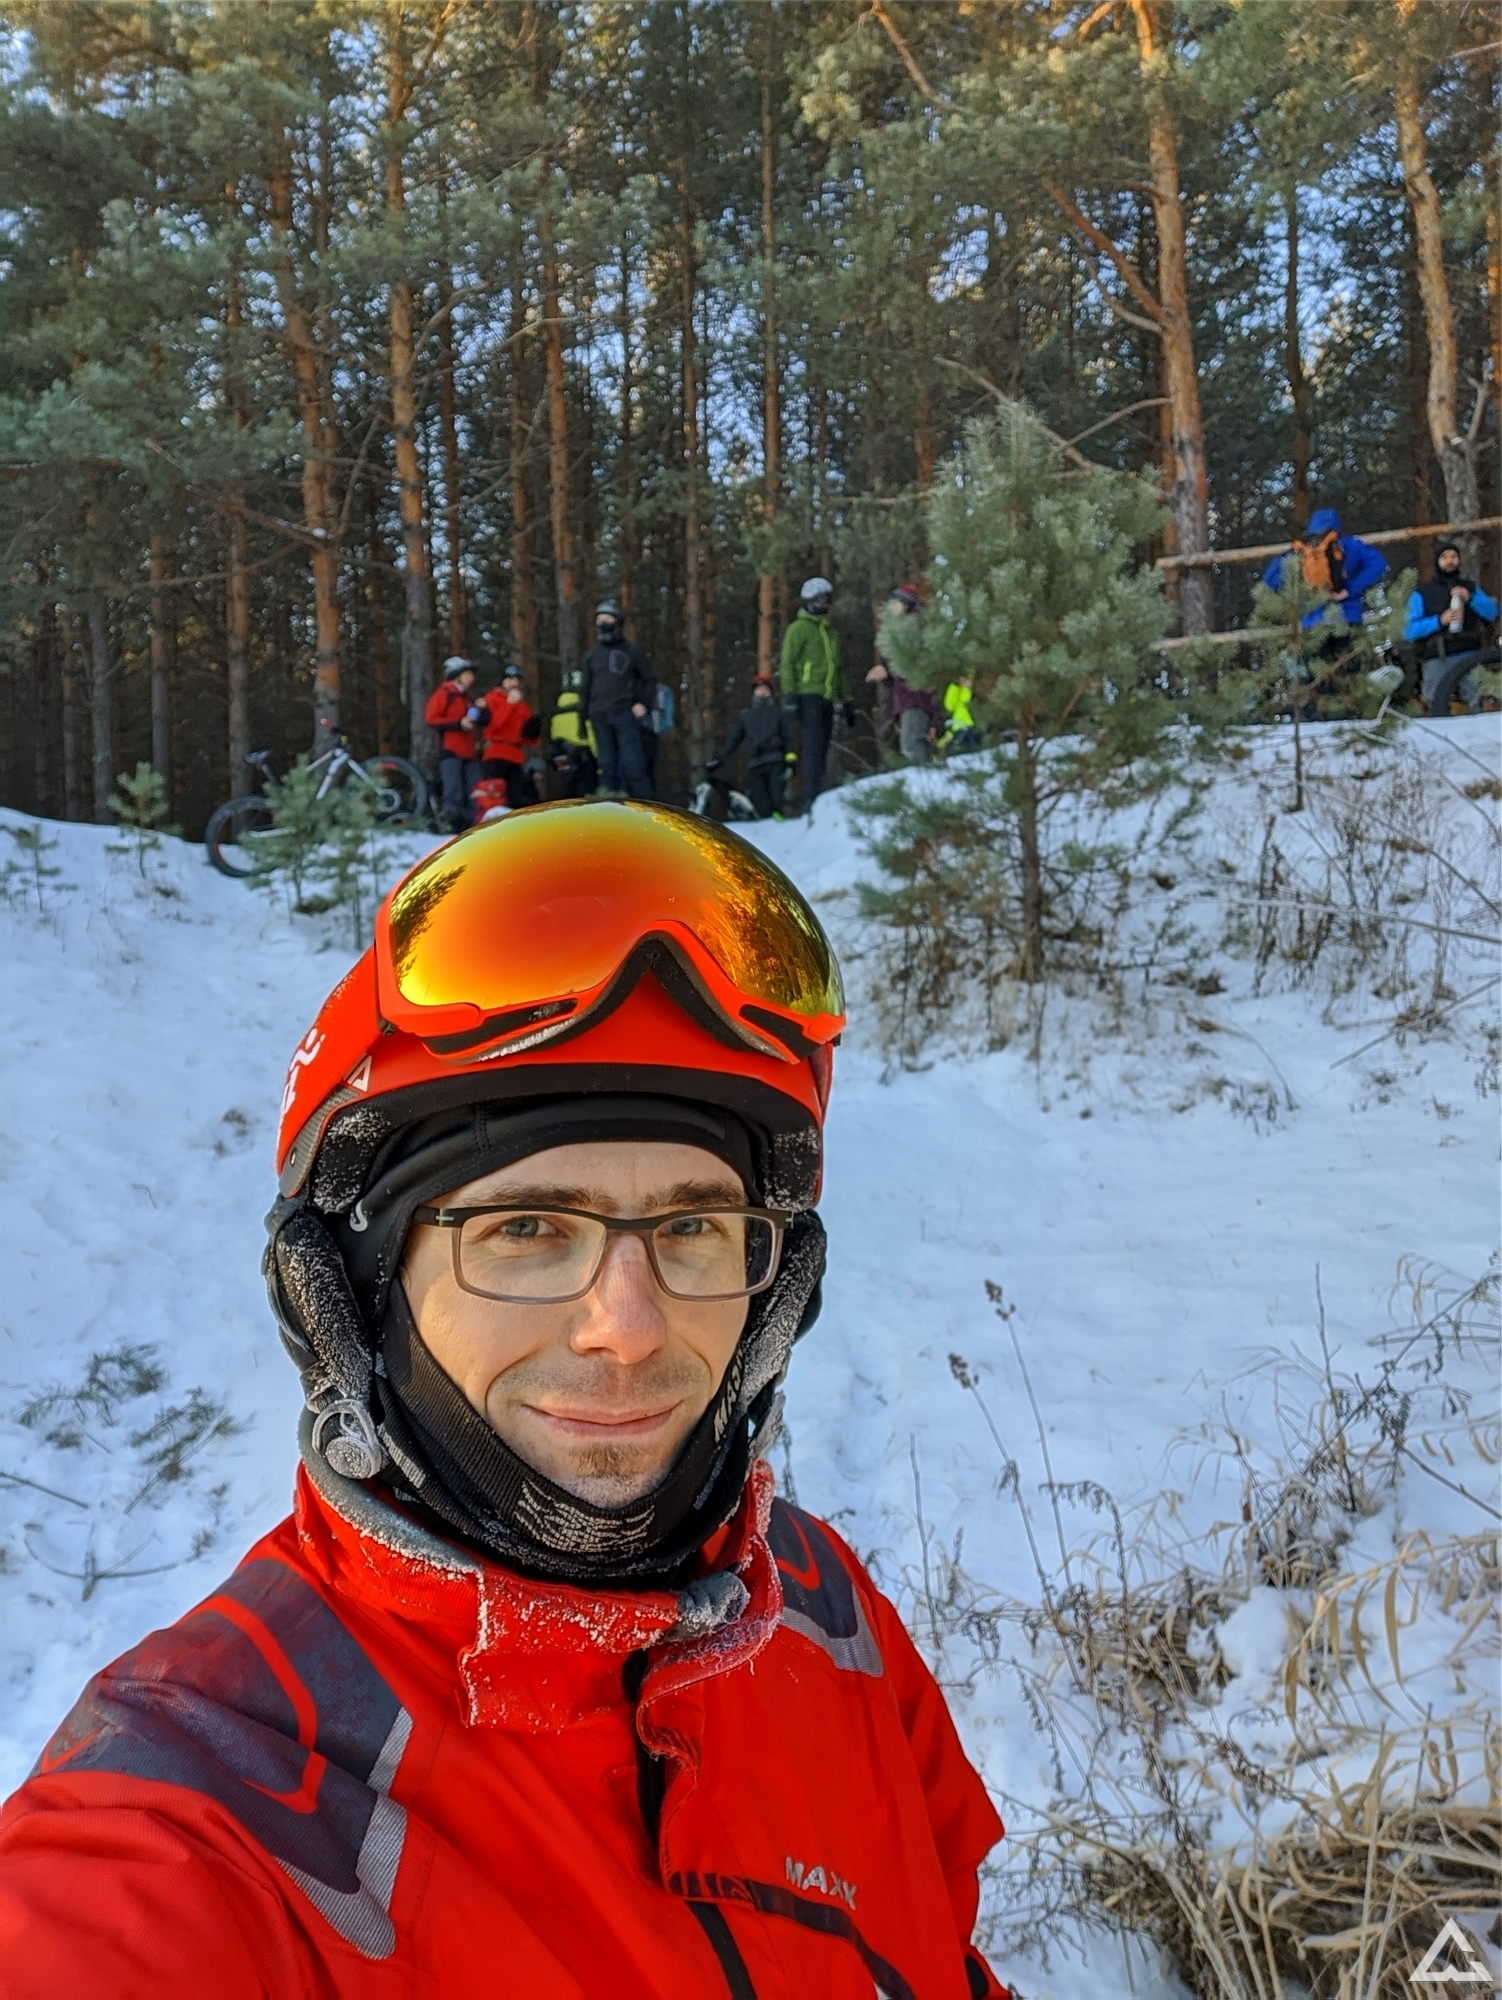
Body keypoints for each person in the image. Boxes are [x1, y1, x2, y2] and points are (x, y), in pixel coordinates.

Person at [0, 802, 1011, 1999]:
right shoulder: (202, 1815)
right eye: (527, 1228)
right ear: (354, 1294)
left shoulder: (820, 1607)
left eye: (692, 1226)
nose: (628, 1325)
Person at [780, 575, 854, 811]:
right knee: (812, 746)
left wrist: (847, 699)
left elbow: (839, 669)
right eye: (819, 599)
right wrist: (791, 696)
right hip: (807, 694)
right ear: (809, 601)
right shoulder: (798, 629)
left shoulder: (831, 633)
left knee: (824, 746)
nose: (823, 604)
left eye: (826, 599)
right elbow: (788, 663)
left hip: (828, 696)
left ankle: (819, 793)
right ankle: (810, 796)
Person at [1262, 508, 1390, 632]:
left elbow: (1269, 581)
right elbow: (1378, 563)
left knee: (1316, 647)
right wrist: (1350, 589)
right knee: (1347, 646)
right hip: (1347, 617)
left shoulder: (1301, 550)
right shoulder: (1350, 544)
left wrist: (1298, 597)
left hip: (1313, 621)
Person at [1405, 540, 1499, 705]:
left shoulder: (1470, 588)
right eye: (1445, 557)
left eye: (1454, 556)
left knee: (1476, 703)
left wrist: (1470, 598)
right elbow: (1409, 631)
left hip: (1469, 655)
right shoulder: (1422, 594)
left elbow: (1492, 614)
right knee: (1435, 704)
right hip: (1437, 657)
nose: (1450, 561)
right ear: (1437, 561)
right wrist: (1439, 621)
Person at [579, 598, 655, 800]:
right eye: (600, 620)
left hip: (624, 713)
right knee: (606, 763)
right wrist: (582, 716)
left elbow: (649, 679)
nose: (603, 623)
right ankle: (608, 803)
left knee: (634, 764)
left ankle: (645, 805)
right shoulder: (590, 656)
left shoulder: (632, 651)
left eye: (608, 619)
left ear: (618, 622)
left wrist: (643, 703)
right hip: (598, 714)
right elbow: (585, 687)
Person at [707, 673, 798, 818]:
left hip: (776, 762)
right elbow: (734, 741)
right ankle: (768, 825)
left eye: (765, 689)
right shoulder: (745, 716)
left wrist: (791, 761)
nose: (762, 692)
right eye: (759, 689)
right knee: (760, 803)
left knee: (776, 801)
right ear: (754, 692)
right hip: (755, 764)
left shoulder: (779, 714)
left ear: (771, 692)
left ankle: (780, 826)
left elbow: (788, 738)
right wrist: (719, 759)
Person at [866, 584, 938, 765]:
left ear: (906, 605)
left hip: (916, 699)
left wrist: (888, 671)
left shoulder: (914, 628)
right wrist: (887, 677)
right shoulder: (901, 631)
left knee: (912, 745)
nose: (890, 608)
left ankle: (922, 779)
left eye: (895, 603)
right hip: (908, 699)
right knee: (912, 744)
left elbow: (916, 665)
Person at [423, 654, 483, 830]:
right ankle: (453, 824)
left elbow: (483, 721)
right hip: (451, 750)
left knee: (475, 789)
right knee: (454, 790)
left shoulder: (469, 697)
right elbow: (431, 719)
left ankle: (474, 824)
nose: (471, 678)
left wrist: (483, 710)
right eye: (468, 674)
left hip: (470, 751)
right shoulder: (444, 693)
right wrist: (458, 723)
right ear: (456, 675)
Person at [479, 664, 541, 808]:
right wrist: (509, 704)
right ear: (503, 680)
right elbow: (493, 726)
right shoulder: (491, 699)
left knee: (515, 800)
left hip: (516, 757)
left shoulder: (523, 706)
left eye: (517, 680)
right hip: (496, 754)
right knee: (494, 798)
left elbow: (530, 741)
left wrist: (534, 731)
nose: (514, 683)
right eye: (510, 679)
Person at [548, 674, 599, 797]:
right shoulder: (581, 710)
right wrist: (597, 755)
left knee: (568, 786)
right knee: (586, 789)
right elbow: (590, 733)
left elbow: (553, 735)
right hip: (582, 753)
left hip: (561, 753)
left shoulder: (556, 713)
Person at [940, 673, 981, 753]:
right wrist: (956, 686)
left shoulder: (973, 688)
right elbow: (950, 705)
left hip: (974, 724)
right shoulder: (956, 689)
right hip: (962, 726)